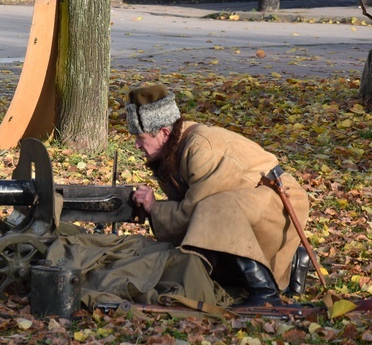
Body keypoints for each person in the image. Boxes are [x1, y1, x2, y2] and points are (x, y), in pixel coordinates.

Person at [126, 84, 311, 306]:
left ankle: (265, 294)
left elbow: (194, 210)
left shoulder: (201, 149)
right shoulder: (176, 148)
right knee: (199, 252)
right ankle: (289, 265)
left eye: (140, 138)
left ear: (164, 133)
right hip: (251, 205)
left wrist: (155, 208)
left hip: (280, 202)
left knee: (212, 210)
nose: (136, 145)